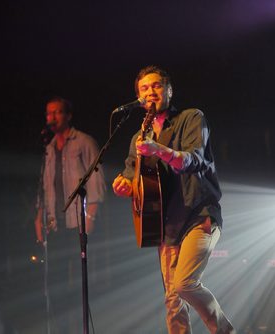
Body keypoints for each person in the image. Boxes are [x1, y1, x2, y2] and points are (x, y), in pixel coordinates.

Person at [112, 66, 235, 334]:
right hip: (165, 225)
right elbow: (132, 174)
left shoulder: (191, 118)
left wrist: (159, 149)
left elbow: (194, 160)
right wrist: (124, 184)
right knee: (172, 299)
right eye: (144, 89)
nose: (150, 92)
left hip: (198, 214)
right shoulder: (138, 138)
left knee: (184, 284)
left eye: (156, 86)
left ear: (168, 90)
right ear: (139, 98)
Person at [34, 96, 106, 334]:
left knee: (79, 283)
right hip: (55, 225)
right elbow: (45, 187)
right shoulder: (48, 149)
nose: (52, 117)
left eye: (57, 112)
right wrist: (39, 215)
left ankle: (82, 327)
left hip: (79, 224)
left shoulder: (84, 142)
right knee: (55, 286)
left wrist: (91, 217)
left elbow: (96, 183)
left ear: (68, 115)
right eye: (48, 113)